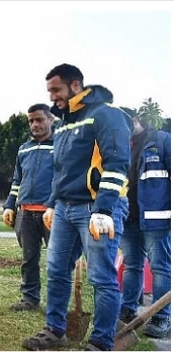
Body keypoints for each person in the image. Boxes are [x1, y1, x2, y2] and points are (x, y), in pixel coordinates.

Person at [22, 64, 132, 351]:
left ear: (75, 85)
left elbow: (117, 164)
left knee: (101, 277)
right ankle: (54, 330)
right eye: (49, 91)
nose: (52, 97)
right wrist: (51, 204)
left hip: (96, 209)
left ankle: (101, 342)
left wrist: (104, 209)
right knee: (57, 270)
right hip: (64, 209)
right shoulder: (64, 123)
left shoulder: (106, 115)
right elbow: (60, 171)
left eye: (56, 90)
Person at [117, 106, 171, 338]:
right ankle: (128, 310)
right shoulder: (119, 147)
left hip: (156, 219)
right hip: (128, 218)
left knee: (160, 268)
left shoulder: (161, 141)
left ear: (135, 120)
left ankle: (161, 317)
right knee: (132, 266)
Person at [3, 103, 55, 311]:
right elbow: (17, 180)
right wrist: (9, 206)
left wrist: (55, 205)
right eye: (31, 121)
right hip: (25, 213)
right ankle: (30, 299)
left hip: (51, 213)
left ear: (51, 119)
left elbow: (65, 179)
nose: (34, 124)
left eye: (39, 119)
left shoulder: (61, 145)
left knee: (57, 262)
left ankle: (56, 304)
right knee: (28, 258)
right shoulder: (24, 148)